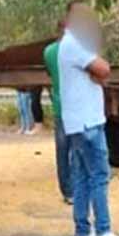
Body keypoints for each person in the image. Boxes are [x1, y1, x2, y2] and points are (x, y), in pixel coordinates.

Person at [58, 3, 119, 236]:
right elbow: (104, 69)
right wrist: (98, 71)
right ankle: (103, 231)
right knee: (99, 175)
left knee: (82, 177)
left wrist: (97, 72)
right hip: (88, 121)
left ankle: (82, 232)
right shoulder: (76, 44)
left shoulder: (69, 45)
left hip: (78, 122)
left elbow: (99, 72)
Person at [44, 18, 73, 204]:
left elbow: (49, 75)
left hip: (59, 106)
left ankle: (67, 191)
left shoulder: (48, 52)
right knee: (78, 150)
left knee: (62, 150)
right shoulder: (73, 51)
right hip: (75, 106)